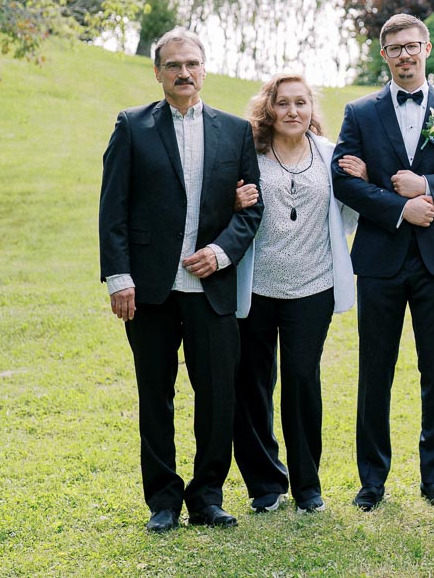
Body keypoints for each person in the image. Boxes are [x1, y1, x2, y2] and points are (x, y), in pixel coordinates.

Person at [98, 28, 263, 532]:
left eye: (192, 64)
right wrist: (118, 277)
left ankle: (207, 497)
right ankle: (164, 502)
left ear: (205, 69)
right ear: (158, 72)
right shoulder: (132, 127)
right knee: (156, 394)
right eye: (173, 65)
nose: (184, 73)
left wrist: (220, 252)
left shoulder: (235, 132)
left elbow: (252, 210)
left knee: (217, 396)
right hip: (149, 289)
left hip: (211, 288)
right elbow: (113, 210)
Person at [330, 13, 434, 511]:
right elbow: (343, 180)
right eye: (395, 48)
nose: (405, 54)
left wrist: (431, 187)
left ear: (426, 49)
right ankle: (372, 481)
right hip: (380, 259)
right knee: (374, 371)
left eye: (412, 46)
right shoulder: (359, 112)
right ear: (385, 55)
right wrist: (400, 208)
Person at [228, 73, 358, 515]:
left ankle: (308, 487)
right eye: (283, 103)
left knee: (302, 381)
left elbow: (349, 210)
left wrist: (364, 177)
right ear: (269, 109)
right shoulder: (250, 154)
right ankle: (265, 485)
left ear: (311, 110)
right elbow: (227, 201)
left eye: (301, 103)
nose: (292, 111)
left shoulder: (328, 153)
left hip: (312, 286)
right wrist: (235, 201)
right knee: (252, 384)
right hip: (257, 286)